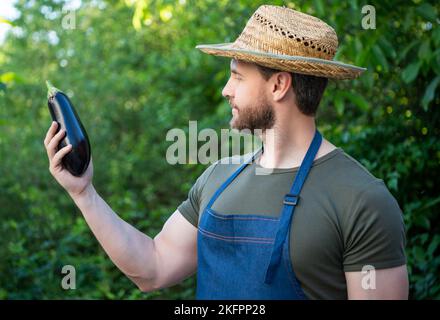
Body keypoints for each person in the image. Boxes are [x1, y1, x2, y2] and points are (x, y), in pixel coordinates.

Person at [44, 5, 408, 299]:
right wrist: (84, 193)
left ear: (279, 84)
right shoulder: (218, 177)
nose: (225, 90)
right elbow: (152, 268)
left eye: (237, 75)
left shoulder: (362, 200)